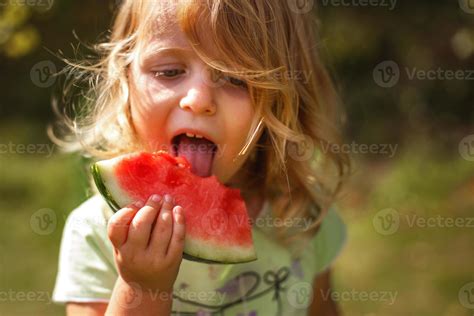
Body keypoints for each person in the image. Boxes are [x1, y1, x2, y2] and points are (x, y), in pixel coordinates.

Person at [50, 0, 351, 314]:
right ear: (126, 77)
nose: (198, 100)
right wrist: (143, 288)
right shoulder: (95, 231)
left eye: (236, 78)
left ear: (283, 98)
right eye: (169, 72)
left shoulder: (304, 218)